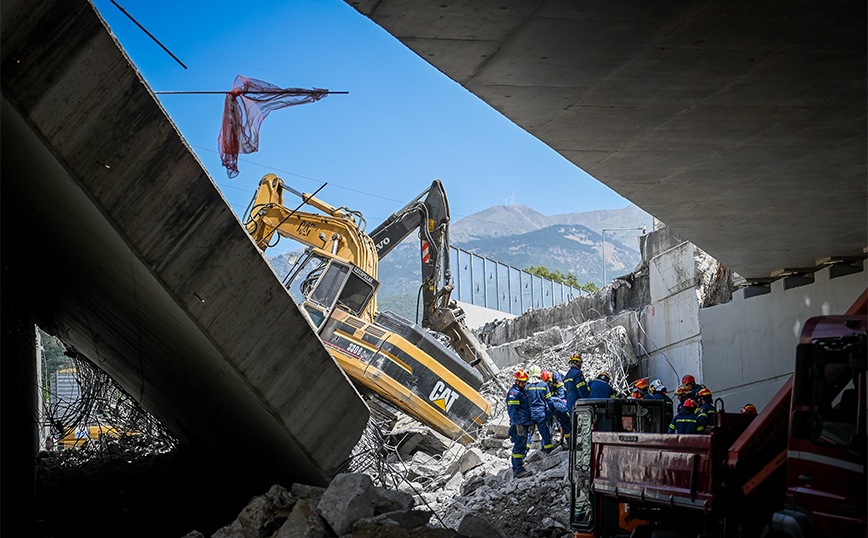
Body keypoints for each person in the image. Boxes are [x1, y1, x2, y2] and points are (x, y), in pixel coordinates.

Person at [506, 370, 534, 478]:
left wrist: (530, 423)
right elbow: (512, 410)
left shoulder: (522, 392)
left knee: (523, 446)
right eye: (522, 382)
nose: (524, 384)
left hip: (525, 423)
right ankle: (518, 470)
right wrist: (518, 424)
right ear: (517, 381)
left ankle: (518, 467)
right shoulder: (514, 393)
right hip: (520, 424)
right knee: (519, 446)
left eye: (525, 382)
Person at [526, 365, 555, 453]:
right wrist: (552, 411)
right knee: (545, 434)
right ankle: (549, 451)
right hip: (541, 414)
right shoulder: (543, 385)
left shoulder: (526, 386)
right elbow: (549, 400)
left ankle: (524, 452)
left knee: (528, 434)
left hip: (530, 414)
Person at [542, 370, 572, 444]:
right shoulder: (543, 378)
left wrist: (561, 403)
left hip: (557, 402)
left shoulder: (556, 377)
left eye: (548, 383)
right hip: (550, 402)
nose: (548, 384)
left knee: (562, 421)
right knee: (548, 423)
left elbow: (561, 391)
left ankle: (566, 442)